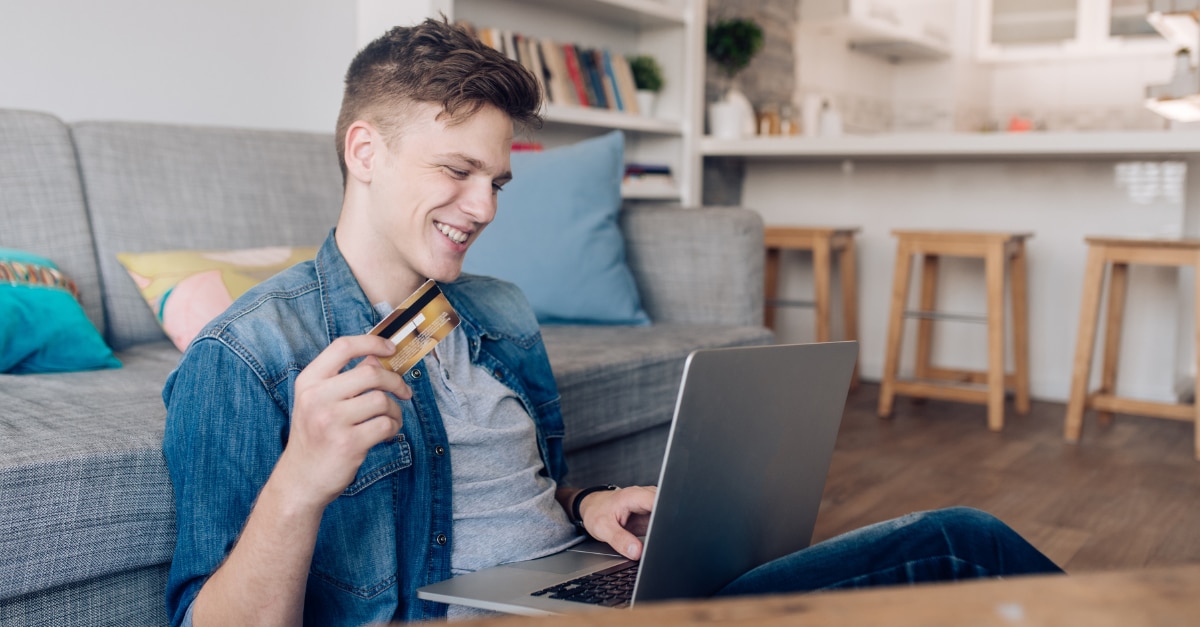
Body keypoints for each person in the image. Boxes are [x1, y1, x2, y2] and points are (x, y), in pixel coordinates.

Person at [161, 18, 1063, 627]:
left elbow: (500, 495)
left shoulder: (499, 314)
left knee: (962, 538)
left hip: (587, 595)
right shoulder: (248, 354)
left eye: (497, 181)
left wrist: (583, 504)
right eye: (457, 171)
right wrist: (302, 480)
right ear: (366, 149)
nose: (484, 206)